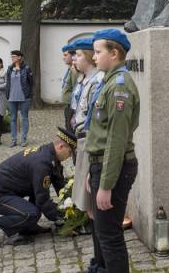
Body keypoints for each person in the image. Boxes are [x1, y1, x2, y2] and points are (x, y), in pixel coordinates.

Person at [87, 29, 140, 273]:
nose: (94, 57)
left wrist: (106, 185)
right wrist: (92, 171)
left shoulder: (119, 87)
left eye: (98, 52)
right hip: (101, 165)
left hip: (113, 168)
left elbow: (116, 140)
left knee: (110, 235)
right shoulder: (109, 81)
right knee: (103, 231)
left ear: (114, 53)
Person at [0, 128, 75, 249]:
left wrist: (71, 207)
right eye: (70, 152)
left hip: (7, 190)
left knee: (36, 197)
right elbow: (43, 201)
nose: (70, 156)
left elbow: (60, 186)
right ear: (61, 147)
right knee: (30, 214)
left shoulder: (50, 156)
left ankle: (28, 227)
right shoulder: (42, 163)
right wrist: (62, 218)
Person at [69, 37, 103, 237]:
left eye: (79, 55)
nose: (75, 59)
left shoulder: (96, 80)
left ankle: (100, 245)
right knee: (87, 201)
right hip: (82, 139)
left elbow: (94, 119)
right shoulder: (86, 79)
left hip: (89, 140)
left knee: (90, 199)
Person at [4, 50, 34, 147]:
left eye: (14, 56)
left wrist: (29, 94)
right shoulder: (9, 68)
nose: (12, 58)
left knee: (24, 117)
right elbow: (8, 82)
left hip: (24, 97)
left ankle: (24, 139)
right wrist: (7, 94)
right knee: (13, 118)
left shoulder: (27, 68)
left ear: (19, 57)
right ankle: (13, 139)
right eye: (11, 56)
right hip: (12, 97)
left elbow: (31, 83)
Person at [60, 44, 76, 128]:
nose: (63, 57)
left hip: (71, 106)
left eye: (66, 55)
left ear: (73, 56)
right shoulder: (70, 69)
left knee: (70, 128)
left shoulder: (74, 71)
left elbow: (76, 89)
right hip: (68, 105)